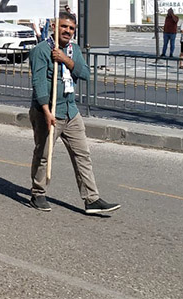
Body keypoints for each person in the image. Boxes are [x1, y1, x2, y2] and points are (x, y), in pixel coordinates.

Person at [28, 12, 119, 215]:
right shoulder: (41, 51)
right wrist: (46, 111)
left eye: (71, 28)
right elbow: (39, 84)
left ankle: (91, 199)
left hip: (70, 111)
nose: (67, 31)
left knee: (82, 155)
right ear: (54, 26)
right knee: (44, 155)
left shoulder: (73, 50)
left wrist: (66, 60)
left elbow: (84, 73)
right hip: (48, 112)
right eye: (64, 27)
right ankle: (38, 193)